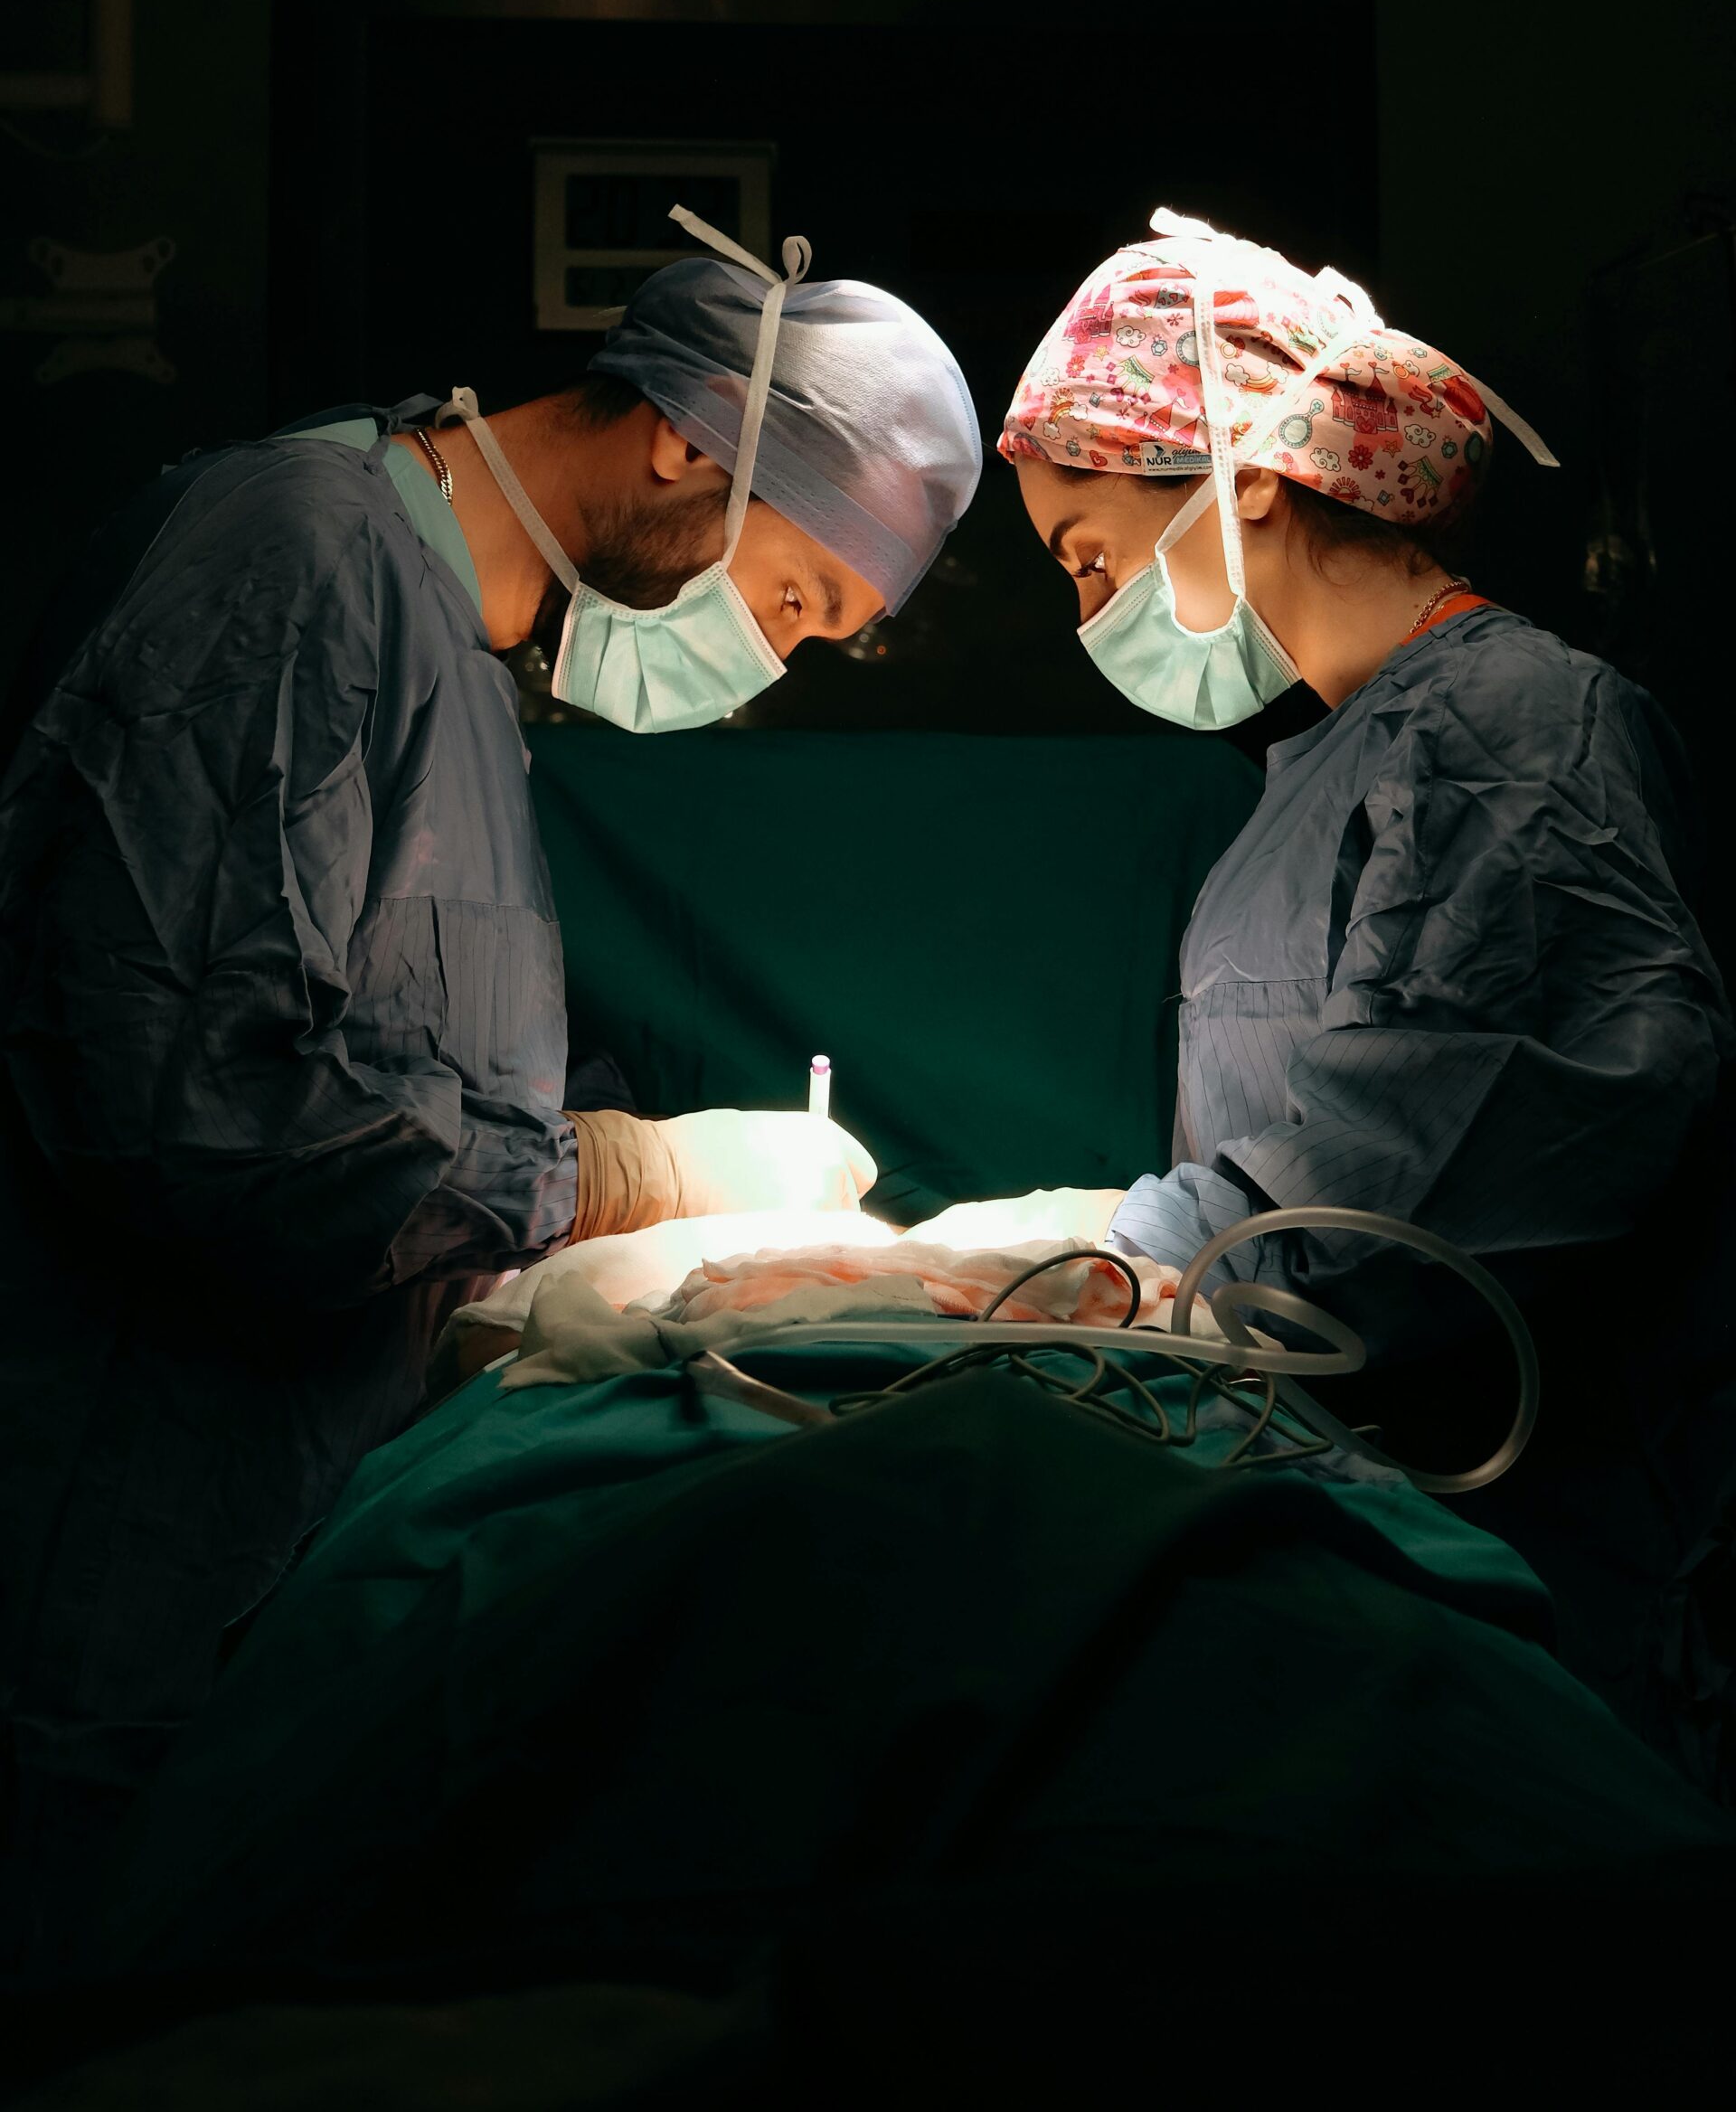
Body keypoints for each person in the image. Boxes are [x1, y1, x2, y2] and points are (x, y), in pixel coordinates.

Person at [0, 208, 981, 1956]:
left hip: (264, 1512)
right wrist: (609, 1179)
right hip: (111, 1545)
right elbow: (194, 1103)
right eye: (788, 596)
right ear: (691, 439)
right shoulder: (294, 564)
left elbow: (404, 1034)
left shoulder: (451, 640)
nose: (767, 657)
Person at [1003, 207, 1736, 1769]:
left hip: (1536, 1570)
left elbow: (1431, 1171)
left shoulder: (1512, 738)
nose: (1090, 616)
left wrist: (1108, 1266)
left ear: (1249, 475)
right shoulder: (1322, 759)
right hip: (1367, 1537)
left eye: (1092, 556)